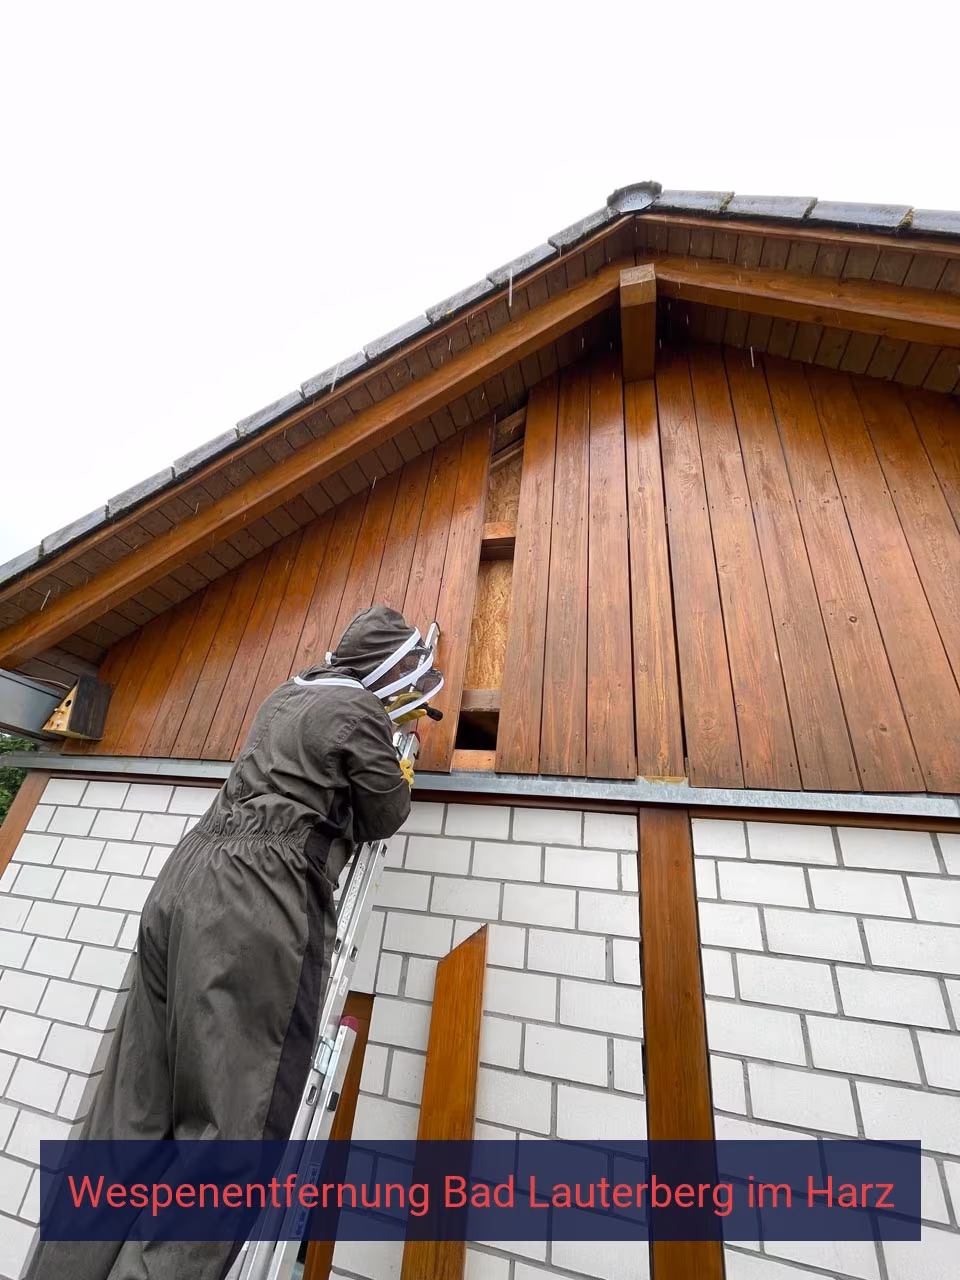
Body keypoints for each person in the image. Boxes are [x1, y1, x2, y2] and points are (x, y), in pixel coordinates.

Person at [27, 605, 433, 1280]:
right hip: (258, 899)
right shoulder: (361, 710)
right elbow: (385, 811)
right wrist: (397, 754)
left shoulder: (287, 692)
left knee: (129, 1116)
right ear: (392, 680)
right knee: (226, 1143)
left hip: (186, 879)